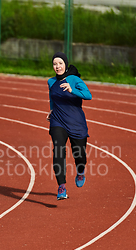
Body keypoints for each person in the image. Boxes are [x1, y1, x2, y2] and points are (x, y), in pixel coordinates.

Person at [47, 52, 92, 200]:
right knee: (58, 151)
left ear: (65, 64)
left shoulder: (74, 79)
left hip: (75, 122)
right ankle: (61, 186)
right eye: (55, 64)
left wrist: (73, 90)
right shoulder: (51, 82)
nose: (57, 66)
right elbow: (52, 99)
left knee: (79, 154)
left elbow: (88, 95)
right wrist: (51, 111)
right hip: (58, 121)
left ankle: (80, 170)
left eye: (60, 63)